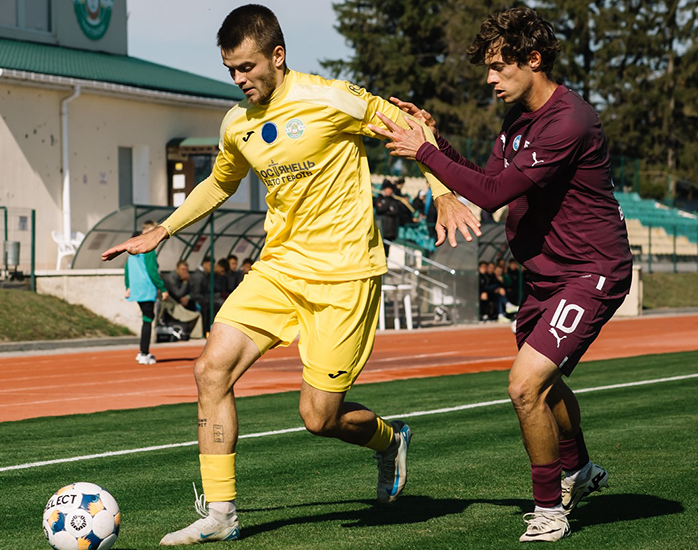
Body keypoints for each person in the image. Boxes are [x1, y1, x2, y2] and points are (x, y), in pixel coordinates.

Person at [101, 5, 480, 545]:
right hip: (279, 269)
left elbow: (412, 127)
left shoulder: (331, 98)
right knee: (210, 371)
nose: (239, 79)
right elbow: (220, 183)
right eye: (230, 70)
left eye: (247, 67)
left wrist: (442, 193)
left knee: (319, 418)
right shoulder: (237, 123)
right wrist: (163, 230)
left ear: (277, 56)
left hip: (346, 276)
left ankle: (389, 440)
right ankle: (221, 515)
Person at [371, 7, 632, 542]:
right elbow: (484, 180)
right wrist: (435, 141)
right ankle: (581, 470)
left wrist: (423, 151)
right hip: (545, 276)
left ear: (533, 59)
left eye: (498, 66)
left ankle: (549, 510)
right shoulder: (517, 121)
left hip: (591, 271)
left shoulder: (569, 120)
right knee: (545, 384)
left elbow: (492, 196)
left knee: (524, 385)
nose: (489, 78)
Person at [124, 220, 169, 365]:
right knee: (148, 319)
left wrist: (128, 286)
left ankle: (142, 352)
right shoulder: (148, 248)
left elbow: (127, 269)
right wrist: (162, 288)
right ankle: (144, 352)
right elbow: (152, 270)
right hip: (147, 288)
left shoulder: (132, 250)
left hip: (137, 289)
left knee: (146, 318)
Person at [161, 260, 205, 340]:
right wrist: (185, 282)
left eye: (186, 270)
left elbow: (194, 292)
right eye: (182, 269)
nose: (184, 272)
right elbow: (178, 294)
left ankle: (195, 333)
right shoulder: (171, 278)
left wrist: (188, 297)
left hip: (183, 303)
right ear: (177, 269)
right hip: (171, 304)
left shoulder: (187, 277)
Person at [374, 180, 413, 257]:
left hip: (390, 231)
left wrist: (385, 208)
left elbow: (395, 211)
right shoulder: (379, 198)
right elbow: (379, 209)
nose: (389, 191)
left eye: (390, 189)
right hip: (380, 230)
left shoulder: (395, 200)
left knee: (386, 252)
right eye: (387, 189)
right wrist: (389, 208)